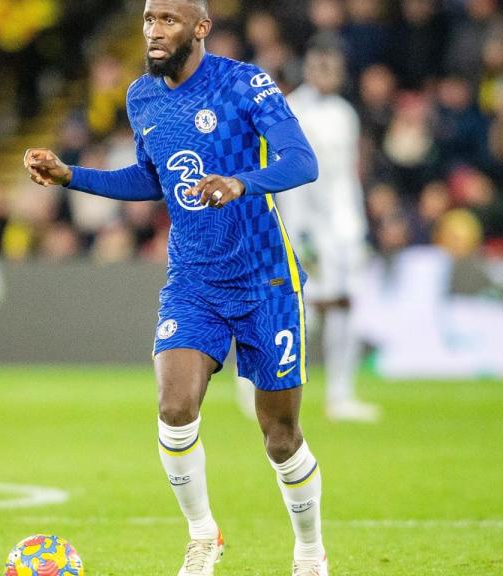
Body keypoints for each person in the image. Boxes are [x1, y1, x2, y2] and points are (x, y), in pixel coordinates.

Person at [23, 2, 328, 574]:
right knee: (174, 407)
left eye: (167, 19)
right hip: (193, 279)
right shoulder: (142, 96)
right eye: (147, 19)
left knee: (280, 436)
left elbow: (302, 161)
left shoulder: (245, 84)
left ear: (200, 28)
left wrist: (242, 182)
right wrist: (72, 177)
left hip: (266, 277)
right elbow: (151, 178)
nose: (153, 31)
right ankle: (202, 534)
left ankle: (309, 548)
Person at [276, 37, 381, 422]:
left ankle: (340, 395)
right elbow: (289, 176)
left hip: (344, 229)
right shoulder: (292, 110)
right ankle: (266, 384)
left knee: (346, 305)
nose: (327, 74)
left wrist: (359, 228)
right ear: (308, 68)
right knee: (304, 311)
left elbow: (348, 179)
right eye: (320, 66)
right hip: (307, 228)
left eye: (333, 68)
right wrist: (295, 232)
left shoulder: (345, 113)